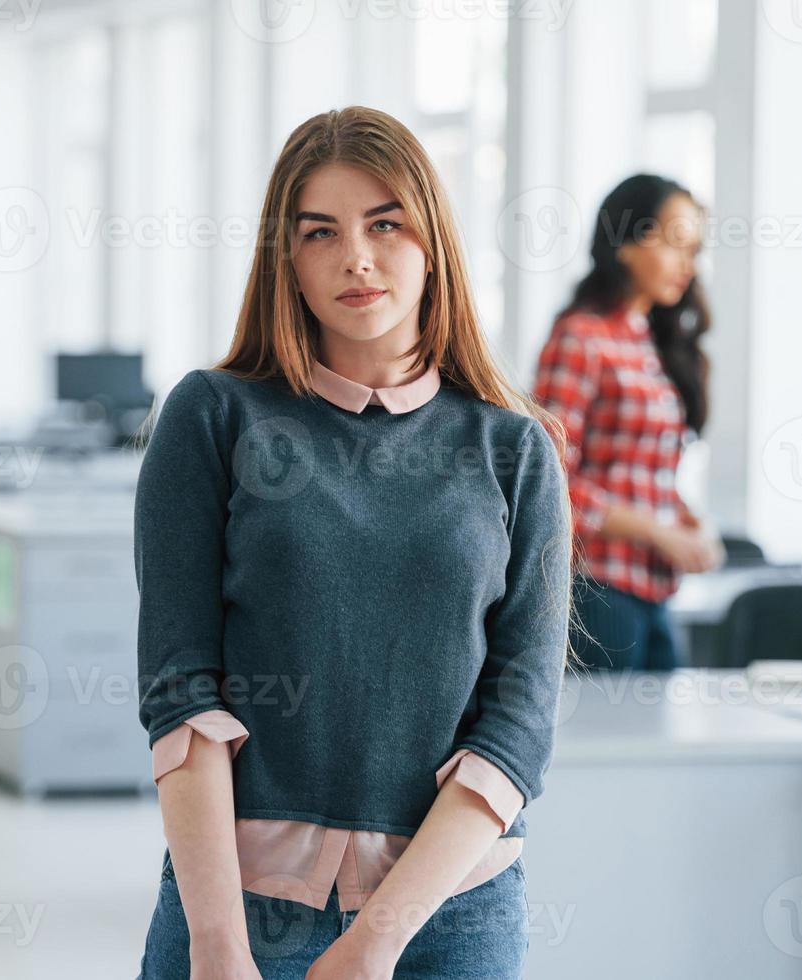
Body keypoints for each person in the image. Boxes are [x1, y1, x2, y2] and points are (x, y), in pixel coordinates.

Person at [133, 106, 573, 979]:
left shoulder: (514, 450)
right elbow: (182, 694)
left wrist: (373, 947)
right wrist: (217, 945)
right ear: (285, 259)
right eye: (319, 232)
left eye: (385, 224)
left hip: (450, 920)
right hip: (238, 907)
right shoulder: (214, 417)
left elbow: (517, 729)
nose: (357, 259)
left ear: (432, 242)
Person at [533, 173, 725, 671]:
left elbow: (637, 472)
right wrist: (657, 533)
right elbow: (548, 482)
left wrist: (686, 522)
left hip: (655, 588)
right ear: (626, 244)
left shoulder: (651, 342)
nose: (688, 264)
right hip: (599, 588)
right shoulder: (581, 338)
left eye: (695, 250)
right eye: (674, 243)